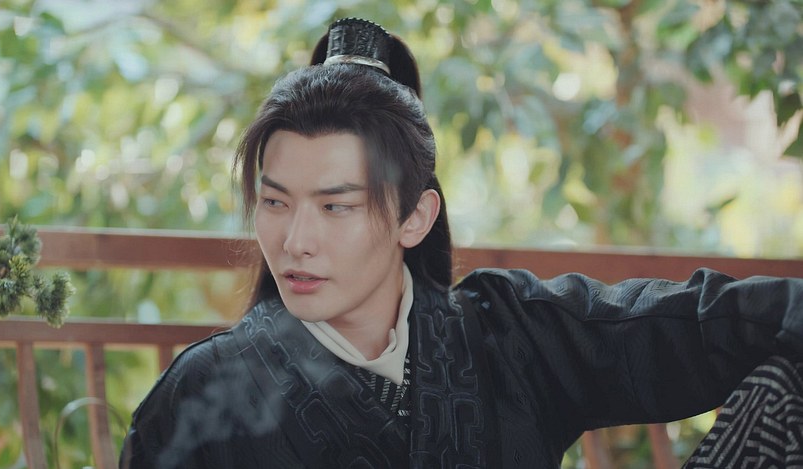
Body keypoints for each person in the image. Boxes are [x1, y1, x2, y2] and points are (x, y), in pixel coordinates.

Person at [120, 18, 803, 468]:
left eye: (335, 206)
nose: (295, 240)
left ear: (414, 218)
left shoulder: (510, 334)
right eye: (275, 202)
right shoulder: (198, 395)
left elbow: (705, 325)